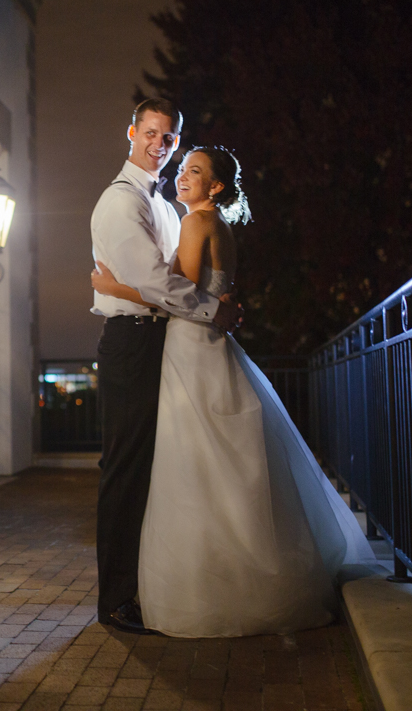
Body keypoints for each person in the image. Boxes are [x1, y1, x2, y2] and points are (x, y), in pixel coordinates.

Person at [92, 145, 375, 637]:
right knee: (217, 457)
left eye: (195, 171)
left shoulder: (198, 224)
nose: (183, 177)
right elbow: (210, 293)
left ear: (216, 186)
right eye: (183, 169)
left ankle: (208, 584)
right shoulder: (218, 226)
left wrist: (113, 288)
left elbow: (175, 292)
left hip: (190, 345)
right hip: (209, 342)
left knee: (193, 457)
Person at [89, 100, 242, 635]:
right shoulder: (120, 202)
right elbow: (156, 285)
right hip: (132, 342)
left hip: (163, 341)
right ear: (131, 132)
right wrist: (212, 309)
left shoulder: (167, 207)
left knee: (156, 469)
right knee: (126, 470)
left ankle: (144, 587)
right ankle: (114, 600)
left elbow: (180, 276)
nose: (161, 143)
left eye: (170, 137)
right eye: (151, 132)